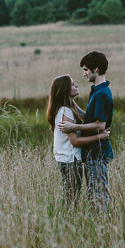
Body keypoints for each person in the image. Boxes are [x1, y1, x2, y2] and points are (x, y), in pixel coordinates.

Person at [58, 50, 113, 214]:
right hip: (91, 153)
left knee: (99, 197)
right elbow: (89, 119)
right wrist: (72, 104)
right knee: (93, 196)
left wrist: (73, 127)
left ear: (96, 69)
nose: (84, 74)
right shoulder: (96, 90)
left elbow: (99, 125)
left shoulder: (102, 93)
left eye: (86, 70)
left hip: (97, 153)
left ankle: (106, 230)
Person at [46, 74, 110, 208]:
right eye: (72, 84)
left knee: (72, 198)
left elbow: (87, 119)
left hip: (68, 160)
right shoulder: (65, 111)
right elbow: (74, 141)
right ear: (64, 90)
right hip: (70, 161)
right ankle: (68, 225)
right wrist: (100, 136)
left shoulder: (67, 108)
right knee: (71, 200)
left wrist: (71, 101)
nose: (76, 85)